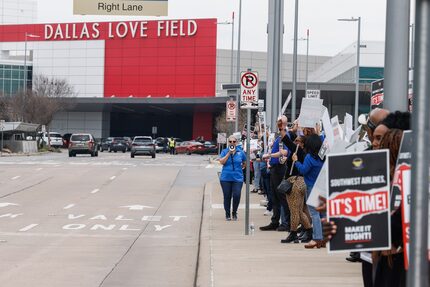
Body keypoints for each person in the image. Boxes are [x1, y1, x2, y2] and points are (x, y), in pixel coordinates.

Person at [292, 134, 324, 249]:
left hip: (311, 186)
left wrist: (296, 161)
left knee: (314, 213)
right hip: (322, 186)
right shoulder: (322, 157)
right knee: (322, 213)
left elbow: (303, 170)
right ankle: (323, 238)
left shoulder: (309, 157)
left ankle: (317, 238)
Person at [260, 115, 290, 232]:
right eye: (278, 122)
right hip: (274, 168)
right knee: (274, 196)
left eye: (280, 122)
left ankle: (285, 222)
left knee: (281, 196)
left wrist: (270, 155)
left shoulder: (284, 136)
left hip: (279, 168)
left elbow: (284, 152)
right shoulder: (278, 137)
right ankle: (275, 221)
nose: (278, 124)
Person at [218, 135, 247, 221]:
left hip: (237, 178)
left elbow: (244, 162)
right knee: (227, 196)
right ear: (228, 143)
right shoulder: (224, 151)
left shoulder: (240, 152)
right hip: (225, 178)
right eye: (230, 142)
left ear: (236, 143)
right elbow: (222, 162)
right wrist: (229, 153)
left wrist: (243, 167)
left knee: (237, 195)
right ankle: (227, 214)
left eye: (234, 142)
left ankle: (234, 212)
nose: (232, 143)